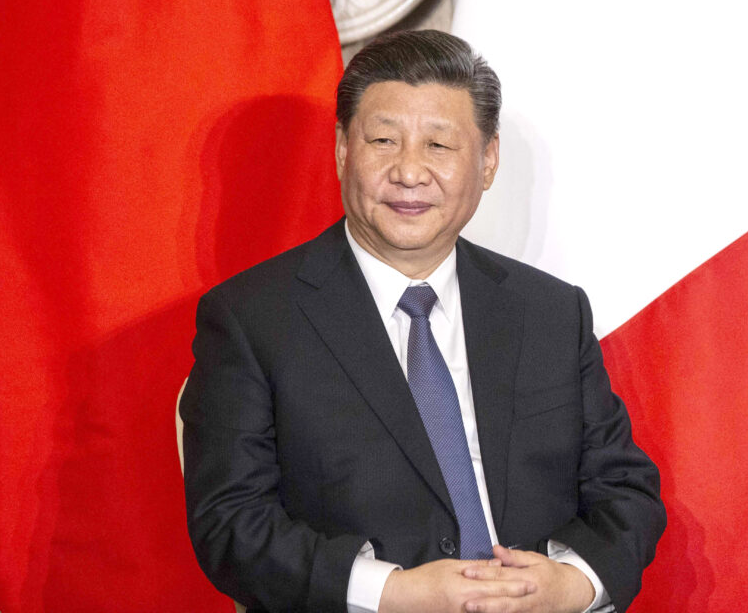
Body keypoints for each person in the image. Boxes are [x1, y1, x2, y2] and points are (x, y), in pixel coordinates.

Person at [180, 30, 665, 613]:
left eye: (439, 145)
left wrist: (571, 586)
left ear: (488, 161)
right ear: (343, 149)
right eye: (384, 140)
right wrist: (392, 593)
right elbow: (231, 523)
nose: (409, 172)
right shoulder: (252, 318)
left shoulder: (550, 312)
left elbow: (625, 492)